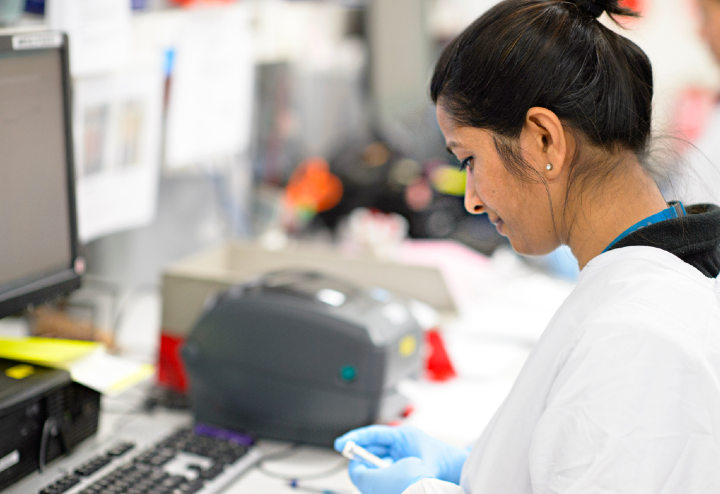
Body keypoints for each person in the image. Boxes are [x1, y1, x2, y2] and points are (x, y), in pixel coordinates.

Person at [334, 0, 720, 492]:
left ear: (544, 140)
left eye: (469, 159)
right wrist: (475, 466)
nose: (471, 200)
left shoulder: (638, 336)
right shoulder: (634, 287)